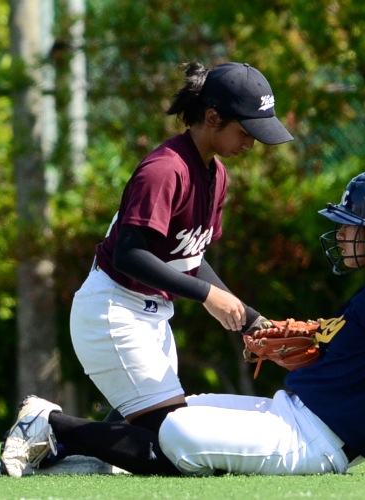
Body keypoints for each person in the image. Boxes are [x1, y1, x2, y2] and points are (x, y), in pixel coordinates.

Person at [0, 169, 365, 477]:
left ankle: (54, 425)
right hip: (292, 413)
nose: (341, 233)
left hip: (314, 441)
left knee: (176, 431)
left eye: (352, 224)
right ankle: (77, 450)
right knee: (174, 412)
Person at [68, 61, 293, 433]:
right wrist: (207, 296)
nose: (251, 143)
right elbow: (129, 255)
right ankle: (47, 423)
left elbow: (190, 259)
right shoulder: (164, 170)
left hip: (152, 317)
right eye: (246, 131)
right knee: (169, 437)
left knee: (145, 435)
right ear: (212, 117)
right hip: (114, 309)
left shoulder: (216, 175)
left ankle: (56, 445)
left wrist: (254, 322)